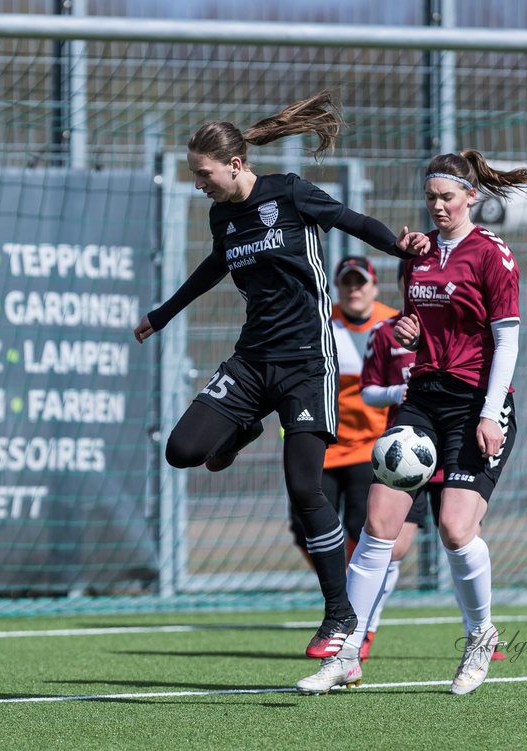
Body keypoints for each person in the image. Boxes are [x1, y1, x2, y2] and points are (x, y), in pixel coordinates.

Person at [133, 92, 429, 662]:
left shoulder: (289, 192)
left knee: (302, 490)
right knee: (181, 450)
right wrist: (162, 315)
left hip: (305, 364)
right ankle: (243, 429)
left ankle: (340, 614)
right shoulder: (224, 216)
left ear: (236, 165)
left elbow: (351, 220)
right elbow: (214, 266)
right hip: (252, 361)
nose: (198, 182)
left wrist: (399, 244)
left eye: (203, 173)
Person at [297, 149, 527, 695]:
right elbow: (422, 324)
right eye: (430, 197)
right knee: (377, 527)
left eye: (447, 197)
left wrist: (490, 412)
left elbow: (507, 339)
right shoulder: (420, 255)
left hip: (476, 402)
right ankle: (348, 652)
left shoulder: (492, 255)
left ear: (471, 197)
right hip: (422, 398)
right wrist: (410, 332)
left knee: (456, 530)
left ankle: (479, 637)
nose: (437, 207)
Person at [357, 264, 506, 665]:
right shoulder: (387, 332)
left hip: (454, 439)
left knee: (460, 533)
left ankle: (476, 631)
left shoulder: (457, 327)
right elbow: (367, 391)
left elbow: (497, 346)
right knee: (391, 544)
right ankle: (360, 634)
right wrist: (398, 391)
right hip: (408, 455)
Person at [286, 254, 397, 579]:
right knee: (306, 527)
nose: (354, 290)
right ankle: (339, 585)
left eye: (360, 282)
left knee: (362, 527)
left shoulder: (393, 325)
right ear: (336, 287)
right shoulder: (320, 324)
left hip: (372, 448)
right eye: (346, 283)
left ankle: (353, 593)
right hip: (325, 445)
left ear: (374, 287)